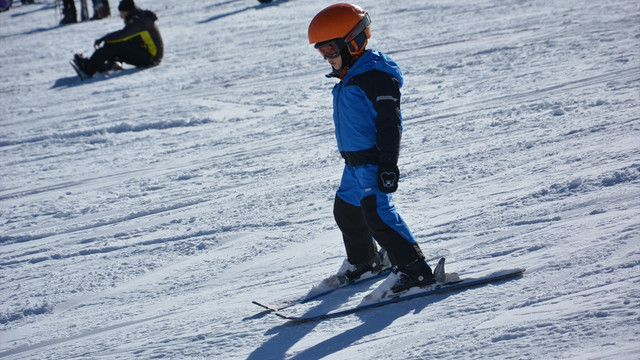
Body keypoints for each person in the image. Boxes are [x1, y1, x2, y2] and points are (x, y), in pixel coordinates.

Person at [308, 3, 435, 294]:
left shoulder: (376, 76)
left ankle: (416, 273)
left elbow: (391, 125)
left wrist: (389, 163)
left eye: (331, 50)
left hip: (373, 161)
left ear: (352, 43)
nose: (327, 59)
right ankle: (365, 261)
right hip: (352, 164)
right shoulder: (350, 75)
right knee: (347, 211)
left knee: (378, 215)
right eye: (322, 52)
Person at [73, 0, 163, 78]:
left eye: (121, 13)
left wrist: (103, 39)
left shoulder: (138, 21)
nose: (120, 16)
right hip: (148, 54)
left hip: (151, 58)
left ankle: (89, 68)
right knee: (113, 43)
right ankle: (109, 64)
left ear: (126, 11)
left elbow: (122, 35)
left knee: (115, 44)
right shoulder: (139, 17)